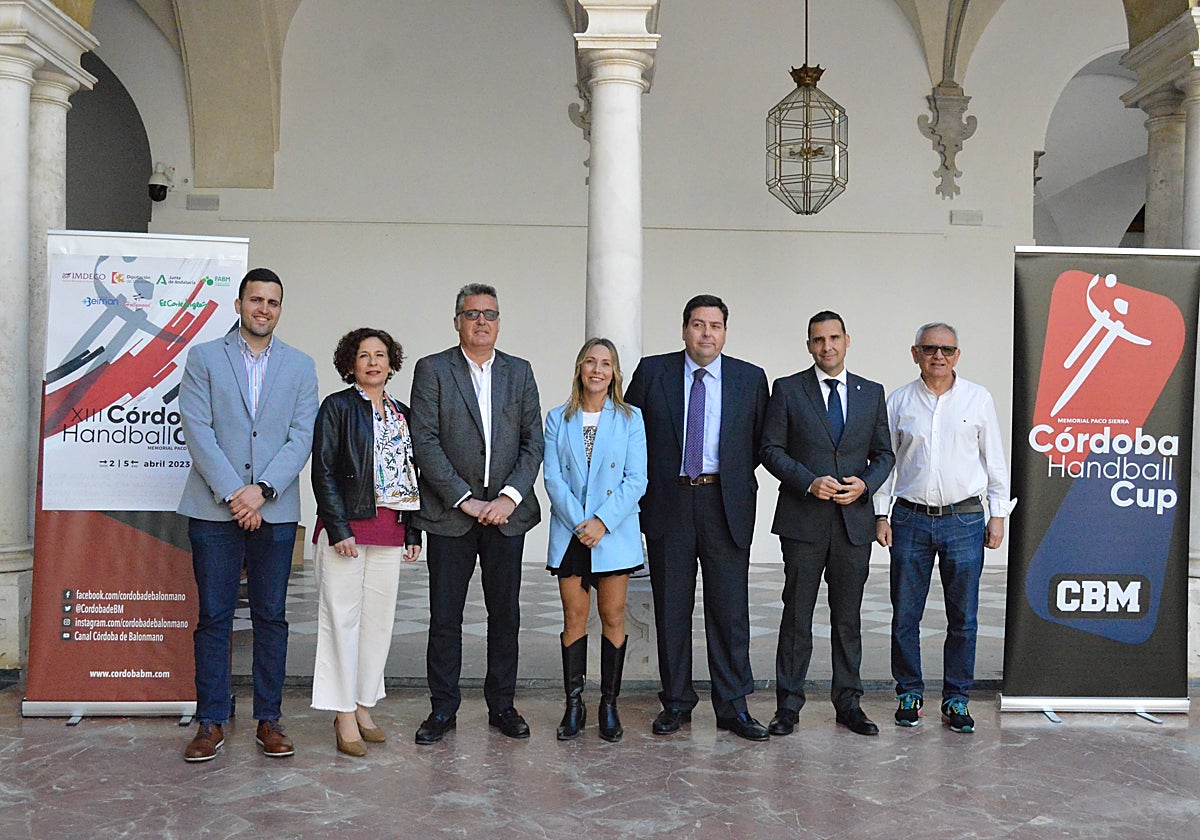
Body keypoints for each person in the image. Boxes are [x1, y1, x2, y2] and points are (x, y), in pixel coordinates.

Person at [177, 267, 318, 762]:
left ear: (280, 309)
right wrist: (235, 494)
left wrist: (261, 491)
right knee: (214, 616)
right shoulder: (204, 358)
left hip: (274, 510)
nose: (264, 309)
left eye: (272, 302)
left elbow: (301, 436)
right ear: (238, 305)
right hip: (213, 509)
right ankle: (211, 720)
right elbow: (197, 429)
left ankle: (269, 719)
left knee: (271, 617)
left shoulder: (300, 365)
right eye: (256, 300)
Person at [625, 294, 771, 742]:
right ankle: (676, 702)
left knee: (730, 610)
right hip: (669, 501)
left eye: (715, 325)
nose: (706, 333)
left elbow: (760, 443)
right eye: (698, 324)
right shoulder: (653, 372)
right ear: (684, 328)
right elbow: (629, 431)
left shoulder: (750, 378)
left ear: (725, 332)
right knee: (672, 608)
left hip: (724, 502)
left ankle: (733, 705)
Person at [408, 283, 544, 744]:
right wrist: (465, 499)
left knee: (505, 615)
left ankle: (502, 705)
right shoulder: (433, 369)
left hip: (507, 517)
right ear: (457, 322)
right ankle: (443, 709)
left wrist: (508, 497)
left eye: (489, 314)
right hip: (451, 516)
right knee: (445, 617)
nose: (481, 321)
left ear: (499, 322)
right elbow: (424, 441)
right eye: (472, 314)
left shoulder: (519, 371)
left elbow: (533, 441)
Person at [874, 322, 1015, 734]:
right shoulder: (899, 401)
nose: (939, 356)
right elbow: (886, 463)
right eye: (930, 348)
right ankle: (909, 693)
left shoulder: (978, 398)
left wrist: (997, 514)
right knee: (905, 614)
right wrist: (881, 514)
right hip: (910, 519)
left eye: (947, 350)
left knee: (964, 617)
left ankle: (957, 698)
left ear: (957, 355)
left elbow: (994, 460)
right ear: (915, 353)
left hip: (965, 519)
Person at [760, 310, 894, 737]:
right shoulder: (787, 389)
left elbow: (885, 454)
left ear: (847, 341)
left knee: (848, 618)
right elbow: (770, 449)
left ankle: (848, 704)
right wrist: (807, 481)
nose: (827, 347)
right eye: (818, 340)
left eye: (834, 338)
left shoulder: (871, 393)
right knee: (796, 616)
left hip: (853, 523)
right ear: (809, 346)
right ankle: (788, 707)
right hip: (803, 521)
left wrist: (866, 485)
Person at [310, 328, 423, 756]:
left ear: (392, 363)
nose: (373, 362)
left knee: (378, 623)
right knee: (341, 620)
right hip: (348, 530)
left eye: (380, 355)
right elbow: (323, 470)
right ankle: (342, 713)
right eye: (364, 355)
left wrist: (412, 530)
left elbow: (413, 475)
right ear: (350, 364)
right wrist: (339, 527)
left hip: (390, 529)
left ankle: (362, 704)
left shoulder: (403, 413)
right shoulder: (337, 407)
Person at [543, 338, 648, 742]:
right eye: (590, 362)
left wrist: (601, 522)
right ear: (580, 368)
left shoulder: (630, 418)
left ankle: (608, 704)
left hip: (613, 531)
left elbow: (637, 479)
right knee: (573, 616)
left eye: (605, 363)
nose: (597, 370)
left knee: (613, 615)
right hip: (572, 532)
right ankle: (574, 705)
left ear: (614, 372)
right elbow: (553, 478)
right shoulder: (558, 418)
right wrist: (580, 523)